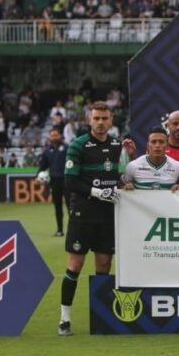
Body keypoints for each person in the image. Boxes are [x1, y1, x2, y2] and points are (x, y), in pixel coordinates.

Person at [58, 102, 123, 337]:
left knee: (104, 265)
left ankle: (102, 318)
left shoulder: (119, 146)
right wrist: (98, 192)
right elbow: (70, 182)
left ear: (111, 120)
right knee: (75, 265)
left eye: (105, 118)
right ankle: (64, 319)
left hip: (108, 215)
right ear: (89, 120)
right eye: (96, 118)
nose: (101, 122)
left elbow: (123, 175)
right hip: (83, 214)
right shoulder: (78, 145)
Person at [120, 127, 179, 191]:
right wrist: (125, 187)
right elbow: (120, 187)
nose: (157, 145)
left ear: (167, 145)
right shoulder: (133, 166)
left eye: (161, 142)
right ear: (148, 145)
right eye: (153, 142)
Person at [37, 127, 68, 236]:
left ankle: (74, 231)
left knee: (71, 207)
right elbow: (42, 166)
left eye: (56, 135)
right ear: (49, 137)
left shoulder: (67, 148)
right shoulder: (47, 151)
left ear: (60, 136)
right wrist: (37, 176)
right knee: (57, 207)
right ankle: (60, 230)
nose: (54, 138)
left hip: (67, 181)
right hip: (54, 182)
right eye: (52, 136)